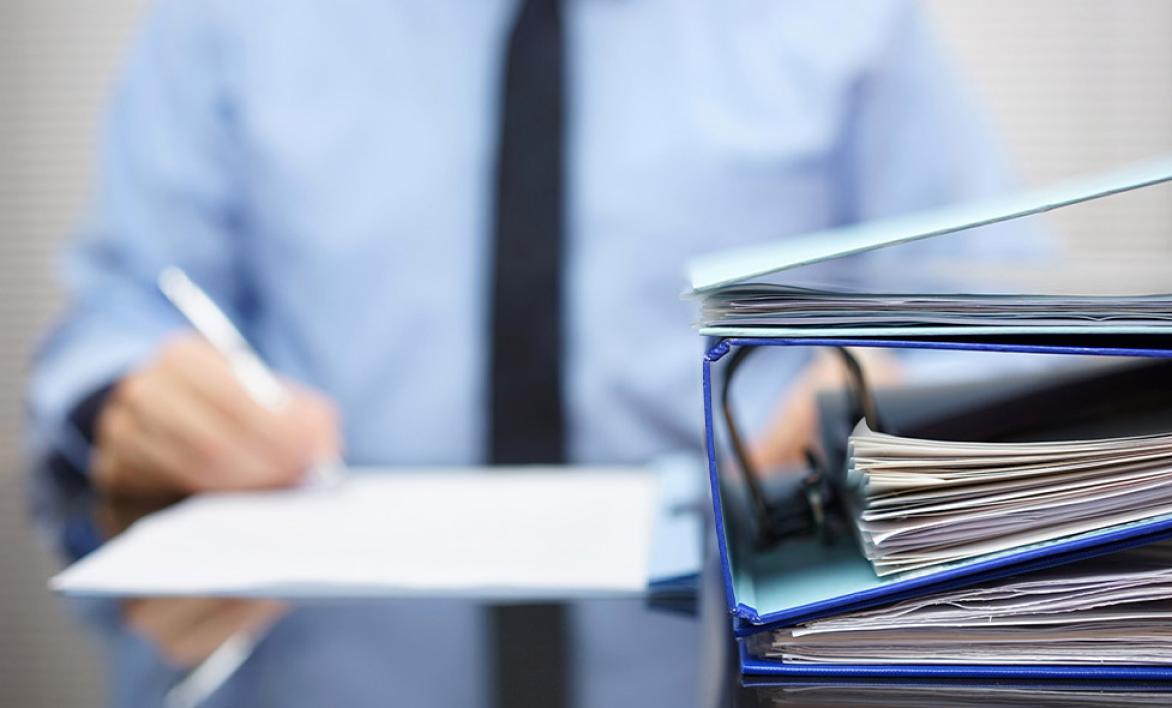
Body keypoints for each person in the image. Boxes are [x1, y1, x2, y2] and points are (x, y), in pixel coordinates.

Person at [27, 0, 1033, 706]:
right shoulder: (225, 18)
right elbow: (124, 303)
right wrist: (127, 394)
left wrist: (886, 401)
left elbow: (1009, 322)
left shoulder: (856, 18)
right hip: (296, 636)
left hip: (744, 612)